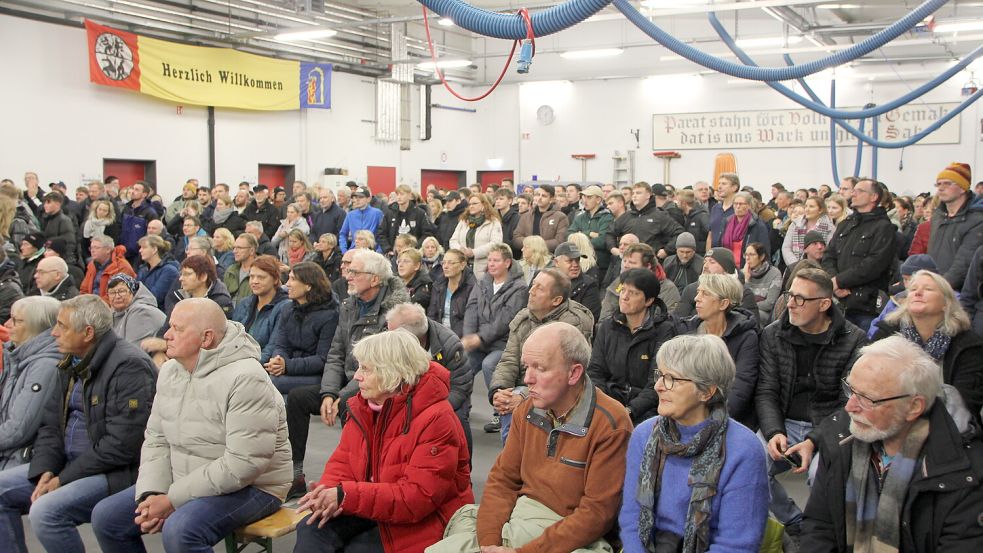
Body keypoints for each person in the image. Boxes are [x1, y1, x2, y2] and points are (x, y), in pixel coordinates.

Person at [91, 298, 291, 553]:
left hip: (256, 486)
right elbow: (156, 439)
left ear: (206, 338)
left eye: (177, 329)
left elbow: (243, 464)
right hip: (188, 476)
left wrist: (173, 499)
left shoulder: (246, 378)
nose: (167, 335)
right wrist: (151, 492)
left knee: (181, 530)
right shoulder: (170, 371)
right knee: (107, 517)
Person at [430, 322, 631, 553]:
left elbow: (596, 515)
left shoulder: (611, 424)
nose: (527, 379)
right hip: (518, 519)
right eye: (526, 367)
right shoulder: (527, 410)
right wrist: (489, 543)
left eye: (540, 368)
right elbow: (503, 479)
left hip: (570, 537)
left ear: (574, 373)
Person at [0, 295, 156, 553]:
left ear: (87, 333)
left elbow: (122, 445)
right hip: (69, 465)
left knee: (46, 513)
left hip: (116, 471)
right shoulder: (69, 361)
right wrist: (46, 470)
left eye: (62, 326)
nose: (53, 332)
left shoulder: (129, 365)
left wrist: (62, 479)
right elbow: (50, 427)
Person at [293, 330, 472, 553]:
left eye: (365, 369)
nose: (356, 376)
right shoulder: (362, 408)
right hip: (373, 506)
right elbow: (343, 463)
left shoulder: (437, 419)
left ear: (393, 373)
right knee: (311, 529)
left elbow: (416, 499)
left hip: (422, 521)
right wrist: (328, 492)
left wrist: (345, 495)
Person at [800, 336, 983, 553]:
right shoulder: (840, 440)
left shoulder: (965, 476)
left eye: (868, 399)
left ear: (914, 407)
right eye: (850, 390)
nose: (849, 407)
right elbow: (819, 527)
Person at [620, 334, 770, 553]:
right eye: (659, 375)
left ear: (706, 391)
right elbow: (632, 520)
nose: (659, 386)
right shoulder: (644, 435)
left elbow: (736, 545)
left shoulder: (744, 450)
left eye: (671, 378)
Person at [284, 249, 409, 496]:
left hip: (379, 382)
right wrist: (329, 393)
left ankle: (358, 479)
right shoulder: (350, 305)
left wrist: (341, 394)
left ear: (374, 279)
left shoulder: (393, 311)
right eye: (348, 270)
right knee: (299, 398)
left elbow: (376, 364)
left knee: (350, 404)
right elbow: (335, 353)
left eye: (354, 271)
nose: (347, 276)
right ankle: (295, 473)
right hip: (346, 380)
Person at [756, 268, 867, 536]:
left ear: (824, 304)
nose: (790, 303)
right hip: (784, 420)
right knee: (753, 463)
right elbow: (767, 390)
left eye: (800, 298)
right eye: (789, 294)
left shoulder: (853, 339)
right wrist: (774, 432)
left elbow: (849, 403)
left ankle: (822, 533)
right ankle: (794, 522)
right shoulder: (773, 334)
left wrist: (814, 440)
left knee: (823, 474)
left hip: (830, 425)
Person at [488, 268, 595, 441]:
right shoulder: (523, 318)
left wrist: (524, 396)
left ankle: (519, 458)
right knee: (507, 401)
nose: (531, 290)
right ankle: (513, 460)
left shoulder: (572, 325)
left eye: (540, 288)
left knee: (517, 401)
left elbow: (561, 377)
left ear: (556, 300)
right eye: (533, 284)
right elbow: (509, 359)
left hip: (555, 389)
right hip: (524, 385)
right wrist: (499, 391)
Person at [871, 269, 983, 422]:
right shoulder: (886, 335)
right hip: (889, 419)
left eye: (928, 289)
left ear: (946, 303)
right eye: (913, 289)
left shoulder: (967, 346)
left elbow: (964, 405)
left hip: (945, 426)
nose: (918, 293)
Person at [588, 268, 675, 424]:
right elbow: (595, 371)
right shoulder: (608, 327)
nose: (624, 297)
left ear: (648, 301)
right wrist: (602, 404)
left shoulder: (664, 331)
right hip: (608, 403)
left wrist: (630, 411)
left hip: (646, 411)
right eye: (623, 290)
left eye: (633, 293)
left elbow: (656, 382)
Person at [675, 273, 760, 429]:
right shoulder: (687, 331)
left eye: (705, 294)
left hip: (728, 418)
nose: (696, 298)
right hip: (688, 413)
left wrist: (713, 422)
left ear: (723, 304)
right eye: (698, 292)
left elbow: (741, 386)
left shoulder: (746, 337)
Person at [384, 303, 472, 452]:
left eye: (392, 333)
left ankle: (463, 466)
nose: (386, 335)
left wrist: (428, 413)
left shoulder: (450, 345)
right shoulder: (389, 332)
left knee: (457, 420)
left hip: (441, 399)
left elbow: (460, 388)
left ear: (411, 339)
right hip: (403, 395)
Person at [460, 244, 528, 432]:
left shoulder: (519, 288)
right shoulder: (482, 282)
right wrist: (469, 337)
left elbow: (505, 320)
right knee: (462, 362)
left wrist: (479, 338)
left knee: (490, 364)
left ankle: (500, 413)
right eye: (489, 260)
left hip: (504, 343)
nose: (491, 264)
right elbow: (471, 309)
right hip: (479, 339)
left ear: (507, 262)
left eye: (496, 260)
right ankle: (460, 407)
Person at [822, 179, 899, 332]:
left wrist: (840, 280)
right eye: (853, 190)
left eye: (860, 191)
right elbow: (829, 255)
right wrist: (834, 282)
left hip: (865, 305)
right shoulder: (846, 224)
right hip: (839, 301)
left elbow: (874, 264)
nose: (853, 193)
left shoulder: (884, 227)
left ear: (874, 197)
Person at [0, 297, 62, 471]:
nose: (8, 324)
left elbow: (18, 430)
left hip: (21, 459)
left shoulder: (44, 366)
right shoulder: (16, 357)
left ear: (38, 327)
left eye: (16, 321)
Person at [266, 262, 339, 394]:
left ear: (308, 286)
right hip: (290, 368)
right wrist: (278, 361)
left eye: (293, 279)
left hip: (317, 376)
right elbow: (281, 345)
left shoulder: (330, 315)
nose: (287, 284)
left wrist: (287, 366)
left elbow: (323, 359)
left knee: (272, 383)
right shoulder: (288, 309)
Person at [928, 162, 983, 288]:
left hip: (958, 291)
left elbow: (964, 263)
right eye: (939, 184)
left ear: (963, 188)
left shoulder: (977, 220)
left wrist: (939, 288)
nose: (941, 188)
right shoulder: (938, 216)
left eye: (947, 183)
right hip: (934, 286)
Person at [231, 255, 289, 364]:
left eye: (261, 277)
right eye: (252, 277)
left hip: (259, 365)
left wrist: (249, 366)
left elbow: (273, 346)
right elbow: (232, 338)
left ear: (275, 279)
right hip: (238, 361)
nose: (254, 281)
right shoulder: (244, 303)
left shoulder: (284, 307)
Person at [607, 181, 684, 261]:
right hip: (628, 263)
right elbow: (610, 233)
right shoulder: (626, 216)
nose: (634, 196)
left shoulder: (660, 216)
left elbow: (679, 233)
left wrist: (667, 250)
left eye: (638, 193)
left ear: (648, 195)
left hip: (650, 262)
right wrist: (613, 249)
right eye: (633, 193)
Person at [449, 193, 503, 280]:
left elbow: (496, 244)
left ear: (483, 205)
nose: (471, 206)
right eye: (469, 204)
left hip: (484, 268)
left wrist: (474, 252)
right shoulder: (463, 221)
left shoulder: (493, 222)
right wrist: (460, 250)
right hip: (463, 266)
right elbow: (453, 240)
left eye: (474, 204)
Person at [427, 248, 475, 338]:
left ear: (462, 265)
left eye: (450, 263)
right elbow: (432, 314)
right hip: (438, 334)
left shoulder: (472, 288)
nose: (445, 266)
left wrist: (449, 338)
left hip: (460, 338)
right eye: (443, 263)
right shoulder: (438, 285)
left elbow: (469, 321)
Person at [376, 184, 434, 257]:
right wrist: (387, 249)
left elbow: (427, 233)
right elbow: (381, 233)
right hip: (393, 254)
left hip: (414, 254)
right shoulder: (390, 213)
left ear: (409, 195)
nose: (399, 197)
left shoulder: (420, 213)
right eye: (397, 194)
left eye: (402, 194)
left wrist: (416, 247)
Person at [107, 274, 166, 345]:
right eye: (112, 293)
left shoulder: (142, 312)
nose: (117, 296)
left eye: (121, 291)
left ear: (132, 292)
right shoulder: (113, 313)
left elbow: (134, 351)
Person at [568, 185, 614, 273]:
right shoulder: (580, 217)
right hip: (579, 264)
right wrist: (589, 233)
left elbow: (602, 241)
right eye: (584, 197)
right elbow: (569, 236)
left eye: (589, 197)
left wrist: (580, 236)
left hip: (600, 265)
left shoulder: (607, 217)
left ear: (598, 200)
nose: (584, 200)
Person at [552, 241, 601, 322]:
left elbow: (589, 320)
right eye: (570, 261)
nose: (575, 265)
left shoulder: (589, 286)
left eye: (577, 260)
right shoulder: (543, 279)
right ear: (556, 262)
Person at [512, 184, 569, 253]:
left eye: (544, 196)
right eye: (538, 195)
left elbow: (560, 241)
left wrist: (538, 245)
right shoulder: (526, 216)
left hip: (549, 258)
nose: (539, 198)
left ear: (551, 199)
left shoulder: (560, 217)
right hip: (527, 257)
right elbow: (516, 238)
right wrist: (530, 243)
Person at [782, 195, 836, 266]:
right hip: (795, 267)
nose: (807, 209)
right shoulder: (795, 224)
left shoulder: (829, 227)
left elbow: (829, 250)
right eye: (806, 206)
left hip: (820, 267)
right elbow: (786, 247)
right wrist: (796, 265)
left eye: (811, 206)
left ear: (820, 210)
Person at [80, 235, 136, 301]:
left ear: (108, 250)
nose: (93, 251)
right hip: (91, 305)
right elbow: (84, 290)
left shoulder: (122, 266)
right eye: (91, 248)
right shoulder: (91, 265)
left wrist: (96, 305)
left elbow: (119, 295)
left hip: (110, 307)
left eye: (96, 248)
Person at [744, 241, 783, 325]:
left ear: (761, 257)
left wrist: (748, 305)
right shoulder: (743, 273)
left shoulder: (774, 273)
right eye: (746, 255)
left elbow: (770, 303)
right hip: (746, 310)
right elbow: (738, 300)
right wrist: (746, 280)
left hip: (764, 314)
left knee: (750, 316)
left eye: (751, 255)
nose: (747, 258)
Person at [135, 234, 178, 308]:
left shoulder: (169, 271)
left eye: (144, 247)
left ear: (154, 249)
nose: (140, 250)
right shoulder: (143, 269)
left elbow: (154, 297)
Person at [339, 186, 384, 252]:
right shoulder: (350, 215)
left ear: (368, 199)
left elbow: (383, 234)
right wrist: (344, 251)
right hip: (354, 250)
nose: (357, 200)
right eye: (356, 197)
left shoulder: (377, 213)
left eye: (361, 197)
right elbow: (343, 234)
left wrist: (378, 251)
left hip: (372, 251)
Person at [39, 192, 78, 266]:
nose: (45, 205)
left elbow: (69, 243)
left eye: (48, 202)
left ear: (57, 204)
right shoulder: (46, 219)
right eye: (44, 203)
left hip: (60, 261)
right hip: (49, 257)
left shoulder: (64, 220)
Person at [223, 232, 259, 305]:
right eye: (234, 248)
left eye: (239, 248)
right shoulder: (231, 270)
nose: (234, 251)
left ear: (252, 251)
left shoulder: (261, 272)